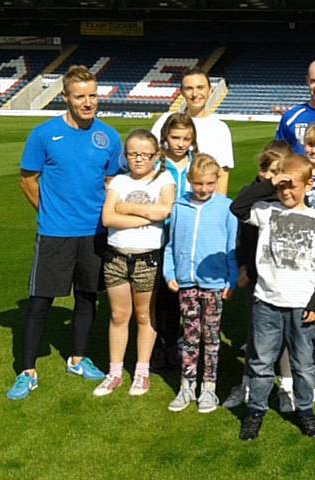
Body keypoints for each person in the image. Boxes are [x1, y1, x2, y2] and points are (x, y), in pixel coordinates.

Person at [8, 65, 122, 400]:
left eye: (93, 96)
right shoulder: (44, 134)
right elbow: (27, 179)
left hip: (94, 232)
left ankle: (78, 358)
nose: (88, 102)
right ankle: (27, 370)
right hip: (56, 232)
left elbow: (111, 182)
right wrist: (47, 212)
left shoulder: (109, 137)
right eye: (80, 96)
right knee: (40, 301)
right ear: (66, 97)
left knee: (87, 297)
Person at [230, 154, 315, 441]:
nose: (286, 192)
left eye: (293, 186)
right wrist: (271, 182)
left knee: (303, 365)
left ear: (308, 185)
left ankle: (305, 410)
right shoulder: (267, 210)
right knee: (261, 362)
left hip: (301, 305)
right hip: (267, 301)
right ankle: (255, 411)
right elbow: (237, 206)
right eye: (282, 187)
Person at [93, 129, 175, 397]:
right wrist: (145, 217)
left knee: (143, 315)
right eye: (132, 154)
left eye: (144, 154)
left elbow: (164, 210)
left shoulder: (163, 178)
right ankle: (114, 372)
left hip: (147, 258)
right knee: (118, 315)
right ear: (125, 155)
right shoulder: (119, 181)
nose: (138, 159)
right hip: (116, 256)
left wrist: (126, 209)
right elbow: (108, 218)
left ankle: (141, 371)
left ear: (155, 156)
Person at [223, 140, 298, 412]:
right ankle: (248, 383)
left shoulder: (287, 197)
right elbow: (241, 225)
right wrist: (243, 267)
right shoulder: (254, 194)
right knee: (256, 333)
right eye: (267, 170)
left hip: (285, 276)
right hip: (256, 276)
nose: (271, 176)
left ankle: (287, 387)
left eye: (278, 171)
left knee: (288, 334)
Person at [164, 154, 238, 413]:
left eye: (209, 183)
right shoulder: (178, 207)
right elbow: (170, 244)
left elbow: (231, 248)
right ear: (190, 182)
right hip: (186, 283)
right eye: (198, 184)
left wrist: (232, 279)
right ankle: (187, 386)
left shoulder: (226, 208)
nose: (203, 189)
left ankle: (209, 387)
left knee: (211, 337)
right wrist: (170, 271)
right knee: (189, 336)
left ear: (217, 180)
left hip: (215, 284)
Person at [151, 112, 199, 373]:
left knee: (182, 296)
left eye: (186, 138)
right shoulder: (156, 163)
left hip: (187, 240)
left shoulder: (196, 163)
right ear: (165, 137)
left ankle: (179, 344)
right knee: (160, 298)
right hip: (157, 238)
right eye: (175, 137)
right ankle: (161, 347)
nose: (180, 143)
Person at [151, 67, 233, 195]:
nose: (195, 94)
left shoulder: (220, 128)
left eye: (200, 88)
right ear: (182, 92)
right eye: (189, 88)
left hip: (200, 203)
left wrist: (219, 208)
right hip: (164, 199)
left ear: (210, 90)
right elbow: (150, 160)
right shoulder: (165, 120)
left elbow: (222, 174)